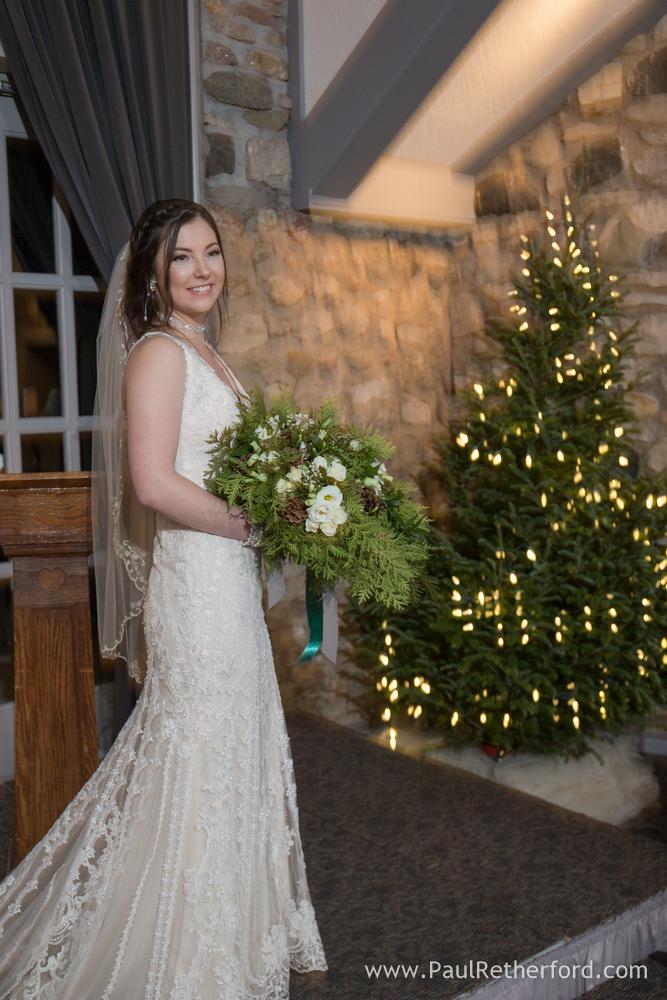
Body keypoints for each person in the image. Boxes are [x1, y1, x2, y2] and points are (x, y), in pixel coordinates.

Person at [0, 199, 328, 999]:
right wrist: (249, 522)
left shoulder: (207, 354)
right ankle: (187, 952)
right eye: (182, 257)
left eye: (211, 253)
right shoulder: (157, 353)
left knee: (231, 747)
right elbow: (151, 482)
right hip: (199, 584)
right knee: (195, 755)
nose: (202, 270)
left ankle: (237, 926)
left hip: (228, 588)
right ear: (152, 270)